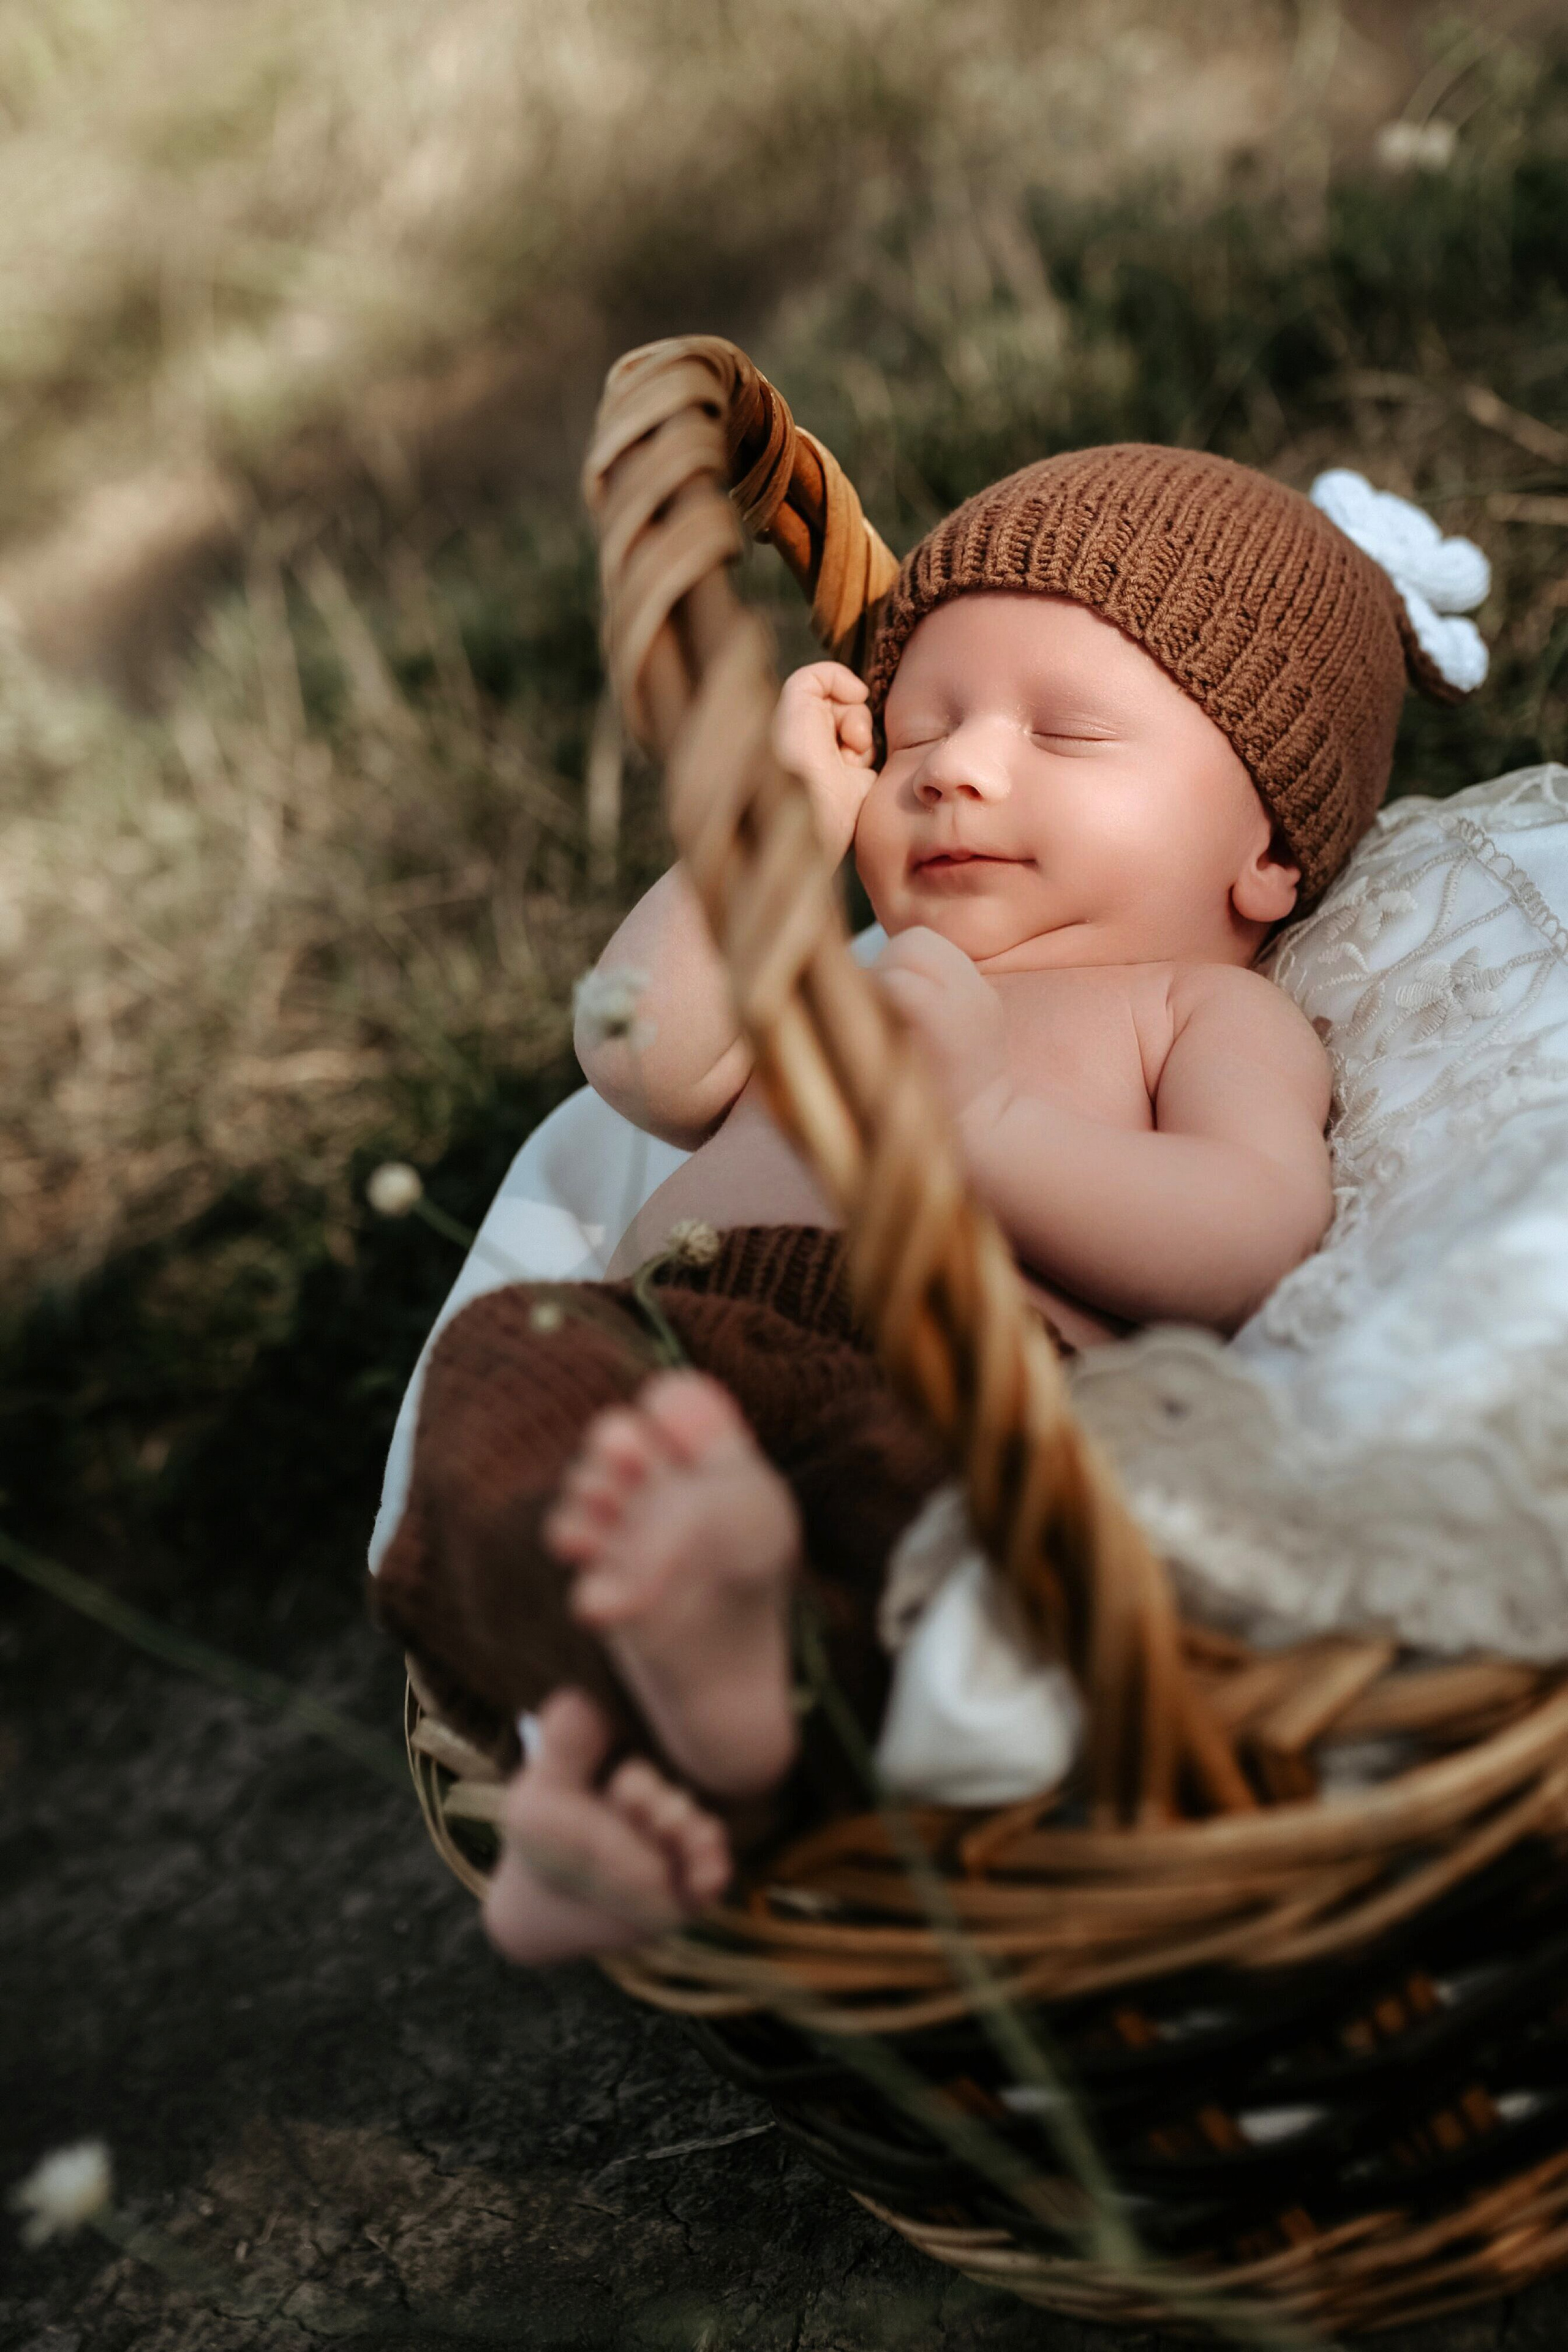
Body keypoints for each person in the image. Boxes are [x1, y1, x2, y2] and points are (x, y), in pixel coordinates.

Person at [372, 445, 1487, 1964]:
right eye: (913, 732)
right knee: (503, 1380)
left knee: (924, 1558)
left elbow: (1244, 1235)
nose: (952, 768)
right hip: (665, 1334)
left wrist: (983, 1125)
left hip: (942, 1364)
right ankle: (611, 1752)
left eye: (1064, 732)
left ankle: (715, 1727)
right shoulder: (843, 980)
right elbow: (639, 1054)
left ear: (1268, 858)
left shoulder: (1192, 1010)